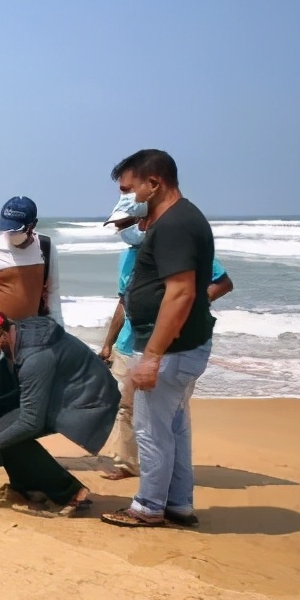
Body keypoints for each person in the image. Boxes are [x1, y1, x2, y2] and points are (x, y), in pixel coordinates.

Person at [100, 150, 216, 529]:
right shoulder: (178, 219)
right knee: (175, 429)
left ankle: (148, 506)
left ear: (154, 183)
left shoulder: (175, 225)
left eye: (129, 189)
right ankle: (178, 504)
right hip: (181, 347)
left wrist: (151, 356)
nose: (127, 197)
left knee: (151, 430)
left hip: (169, 350)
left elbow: (180, 292)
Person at [97, 193, 233, 480]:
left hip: (170, 345)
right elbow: (124, 301)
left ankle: (163, 476)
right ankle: (128, 464)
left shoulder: (176, 247)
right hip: (129, 344)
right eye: (118, 226)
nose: (121, 231)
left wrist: (189, 308)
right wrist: (109, 342)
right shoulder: (127, 256)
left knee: (168, 412)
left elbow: (222, 283)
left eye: (125, 224)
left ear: (143, 219)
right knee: (126, 406)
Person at [0, 309, 119, 514]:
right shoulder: (7, 341)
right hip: (58, 390)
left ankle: (71, 493)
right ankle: (26, 488)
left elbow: (31, 422)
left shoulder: (35, 357)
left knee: (11, 429)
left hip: (88, 398)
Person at [0, 196, 62, 418]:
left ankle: (7, 438)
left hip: (29, 344)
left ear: (32, 226)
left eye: (16, 230)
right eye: (7, 230)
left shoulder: (45, 248)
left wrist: (58, 335)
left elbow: (53, 293)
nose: (11, 235)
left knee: (20, 402)